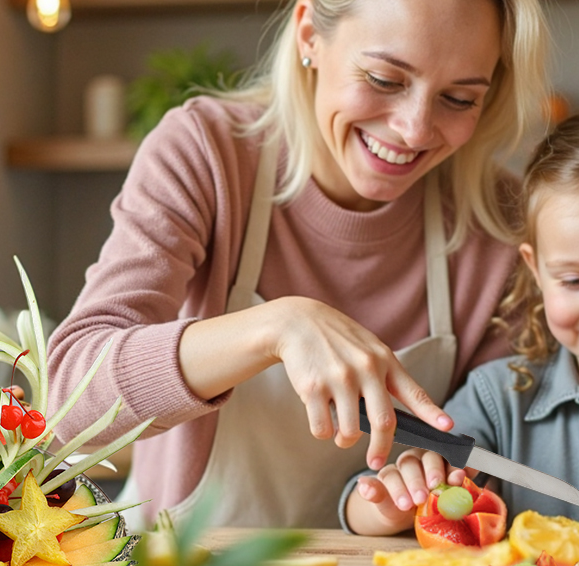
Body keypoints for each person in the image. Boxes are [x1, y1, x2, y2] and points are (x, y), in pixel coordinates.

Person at [46, 0, 551, 530]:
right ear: (310, 34)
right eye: (384, 79)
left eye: (458, 98)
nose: (415, 129)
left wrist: (433, 482)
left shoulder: (498, 221)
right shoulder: (208, 153)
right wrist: (276, 327)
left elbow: (495, 452)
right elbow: (72, 399)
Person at [342, 105, 579, 542]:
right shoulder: (497, 397)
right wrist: (394, 504)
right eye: (574, 280)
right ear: (536, 270)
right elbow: (362, 510)